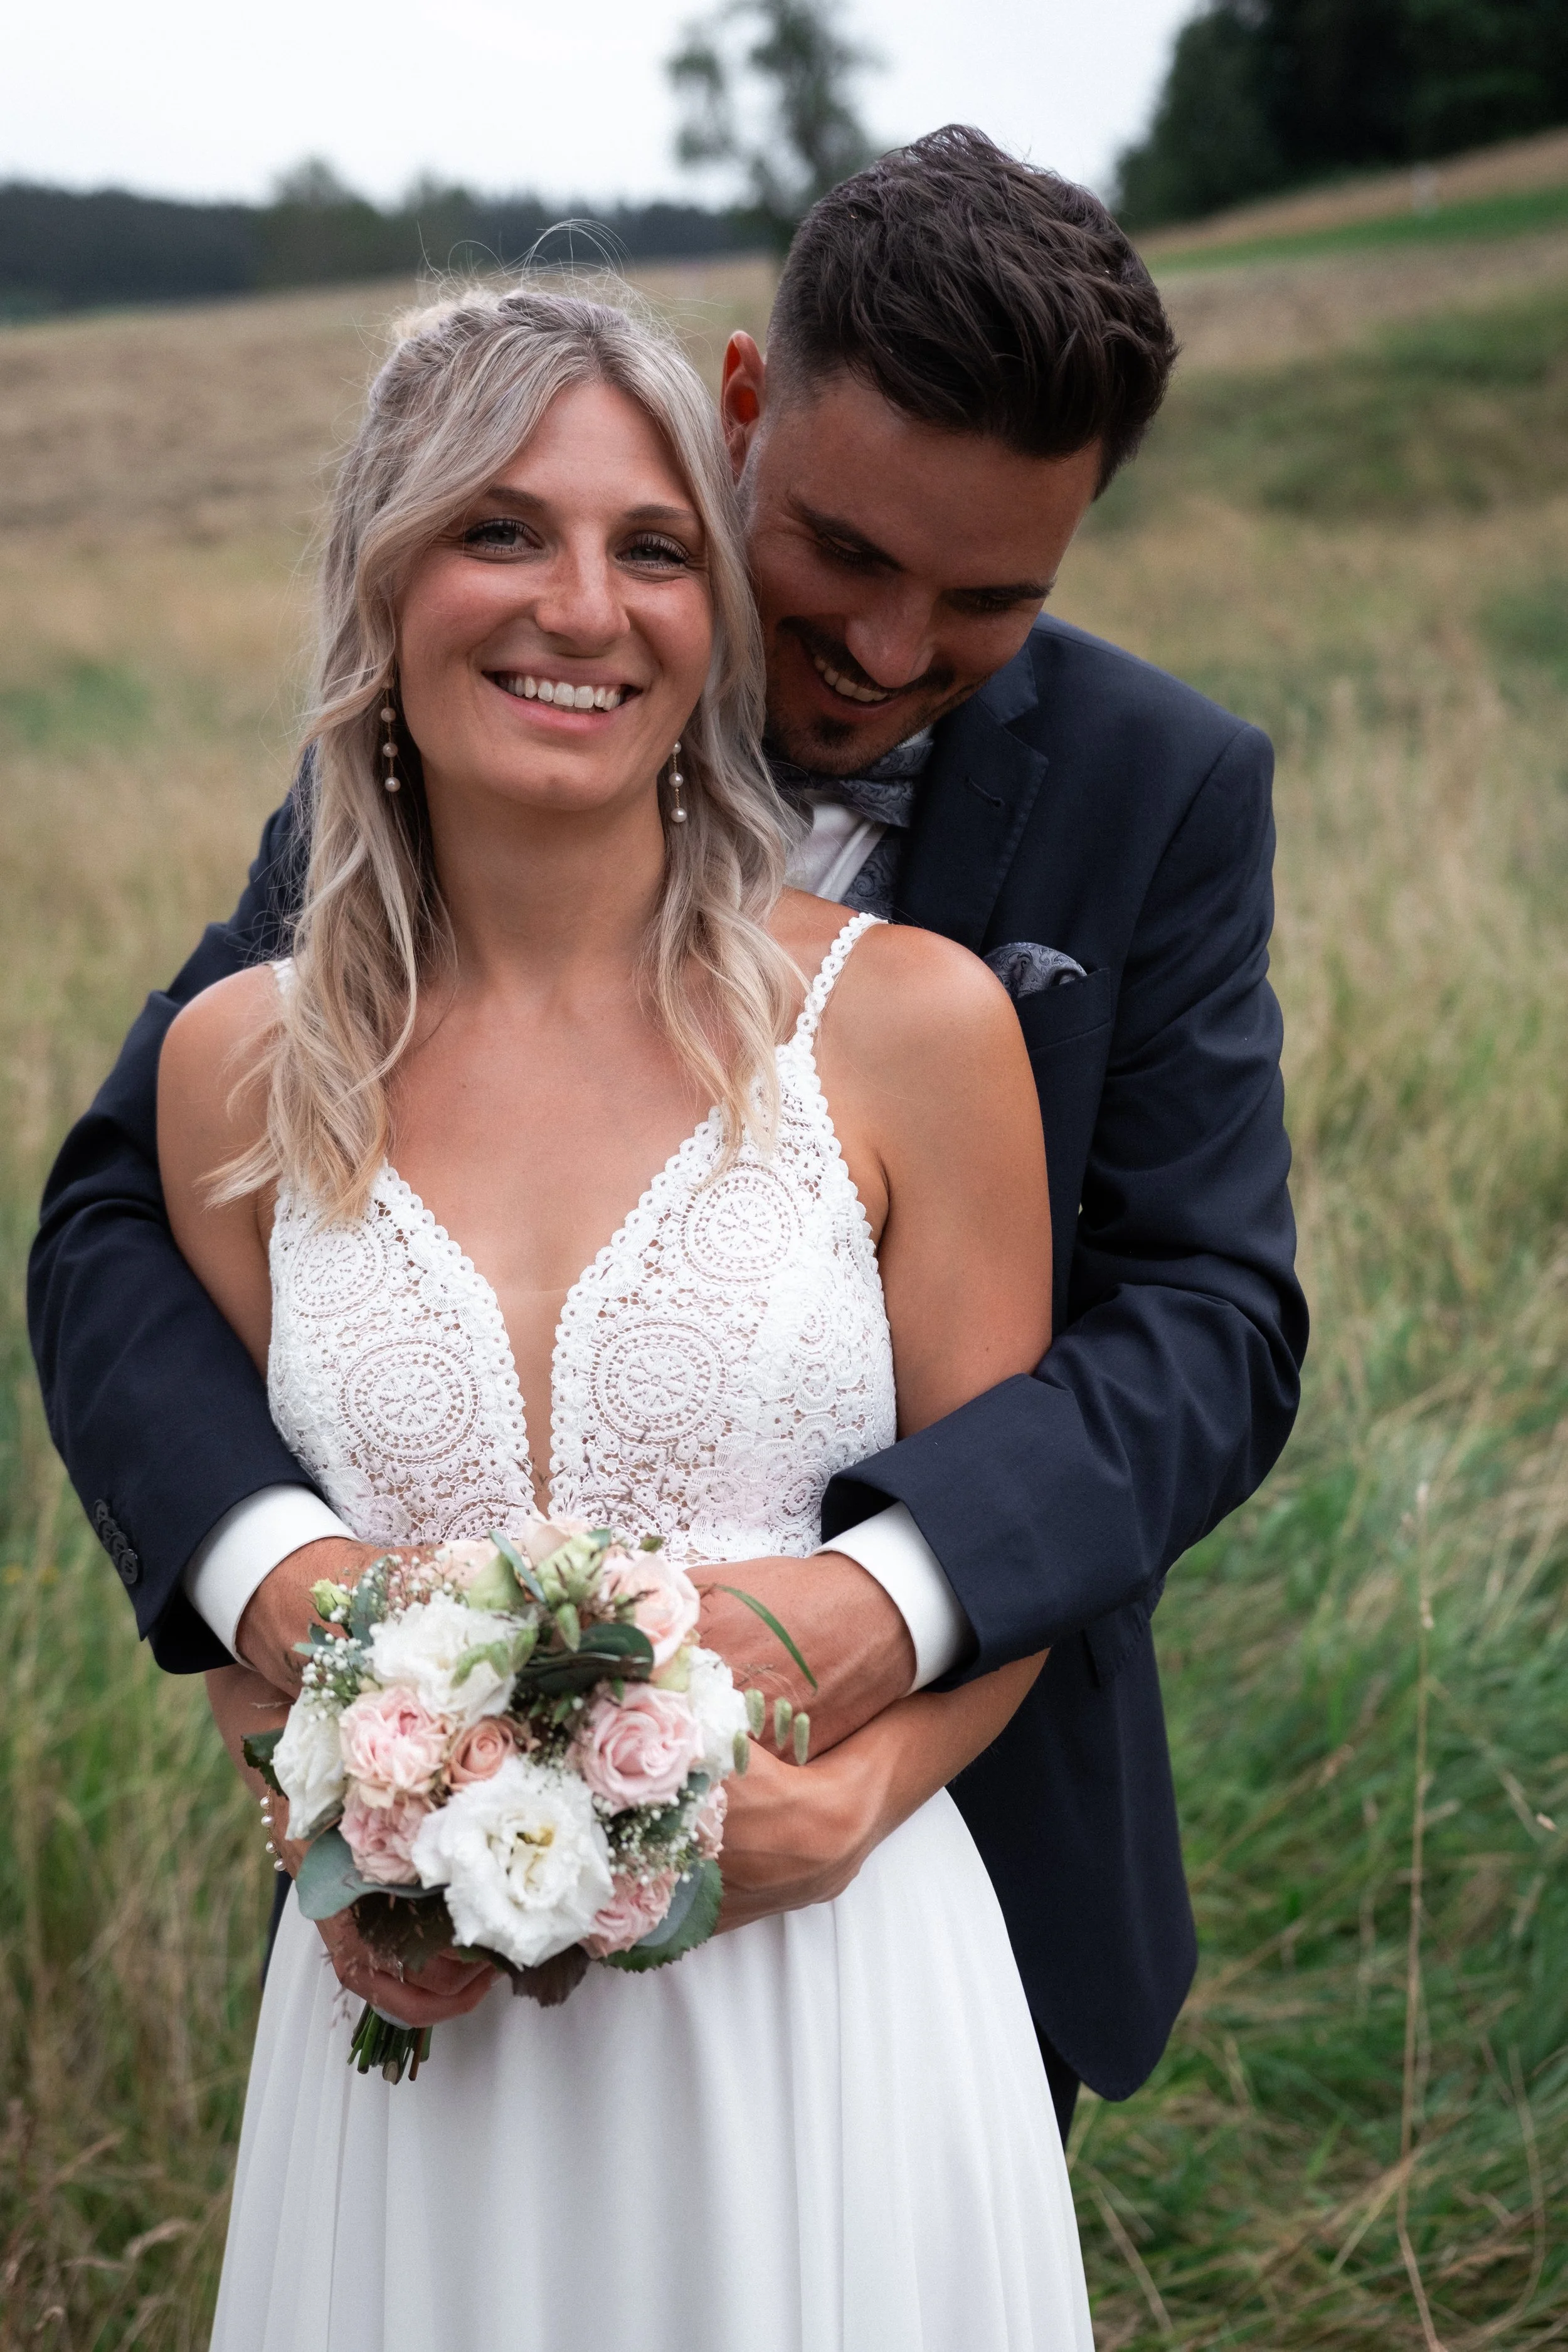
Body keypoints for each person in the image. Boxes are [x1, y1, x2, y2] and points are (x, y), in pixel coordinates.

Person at [29, 127, 1306, 2144]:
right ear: (742, 408)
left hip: (919, 1874)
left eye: (986, 598)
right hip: (439, 1928)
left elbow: (1211, 1326)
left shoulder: (1158, 792)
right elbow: (123, 1212)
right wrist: (296, 1618)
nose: (892, 658)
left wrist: (883, 1644)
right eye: (845, 558)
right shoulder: (480, 710)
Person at [160, 280, 1091, 2346]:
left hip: (821, 1999)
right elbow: (235, 1598)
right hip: (415, 2058)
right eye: (501, 530)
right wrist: (329, 1819)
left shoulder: (908, 1028)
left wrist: (853, 1797)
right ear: (384, 581)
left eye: (652, 546)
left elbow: (1016, 1537)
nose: (581, 603)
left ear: (710, 615)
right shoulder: (241, 1063)